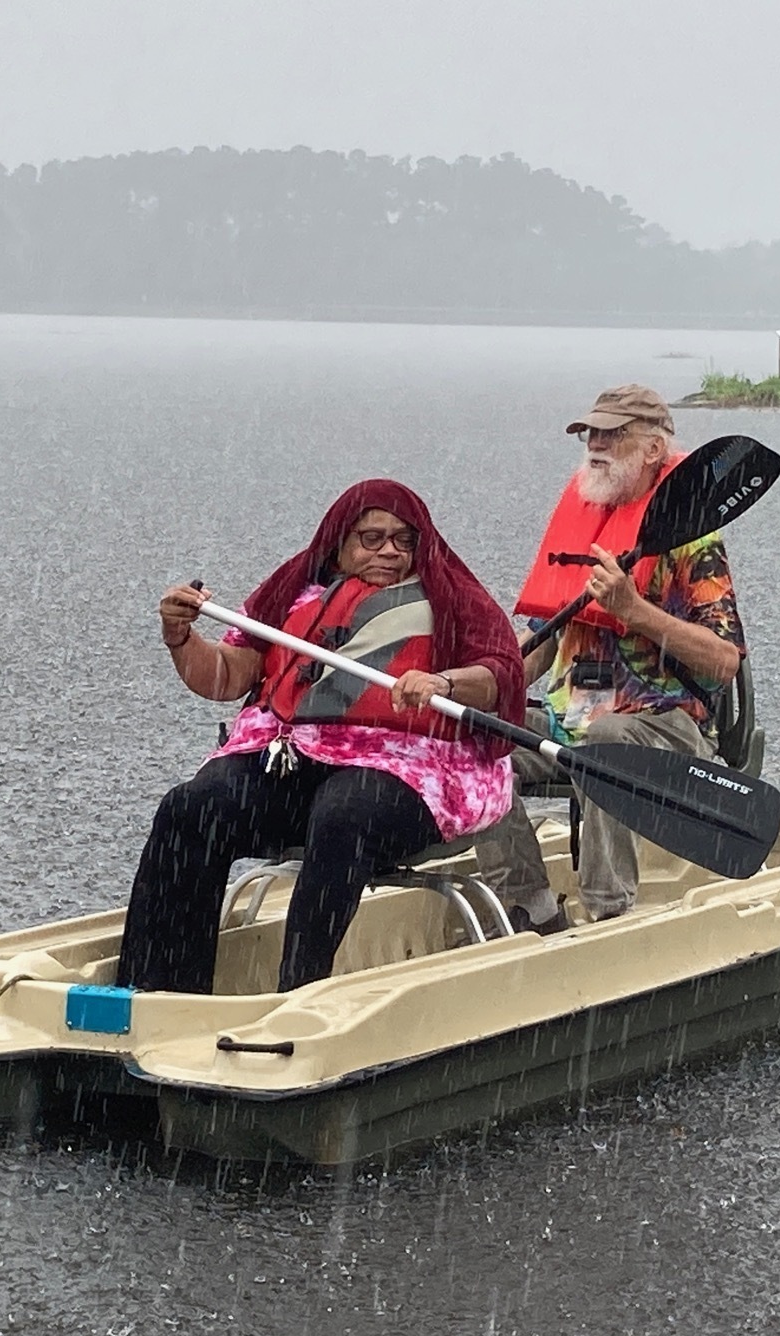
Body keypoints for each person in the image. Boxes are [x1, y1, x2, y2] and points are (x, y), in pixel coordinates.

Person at [116, 479, 523, 994]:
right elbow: (225, 676)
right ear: (340, 542)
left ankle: (300, 990)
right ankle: (158, 988)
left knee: (343, 813)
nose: (390, 552)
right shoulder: (294, 592)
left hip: (410, 770)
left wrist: (443, 681)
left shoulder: (452, 597)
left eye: (404, 540)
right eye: (371, 538)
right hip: (291, 756)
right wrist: (180, 636)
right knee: (191, 807)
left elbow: (497, 676)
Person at [474, 384, 745, 929]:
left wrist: (634, 609)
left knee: (604, 742)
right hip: (568, 716)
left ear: (652, 450)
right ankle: (531, 907)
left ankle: (608, 912)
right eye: (590, 433)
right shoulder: (584, 521)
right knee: (475, 738)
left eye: (611, 434)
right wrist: (476, 688)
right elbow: (540, 643)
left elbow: (724, 661)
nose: (595, 444)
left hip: (663, 725)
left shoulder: (693, 541)